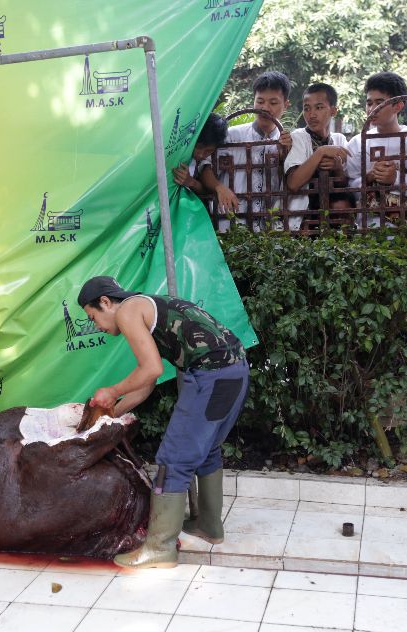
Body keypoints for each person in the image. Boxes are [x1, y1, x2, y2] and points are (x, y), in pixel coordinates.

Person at [77, 277, 249, 569]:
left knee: (172, 459)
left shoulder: (127, 311)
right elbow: (148, 380)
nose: (97, 326)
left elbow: (151, 368)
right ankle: (208, 525)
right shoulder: (147, 306)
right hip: (236, 371)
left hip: (211, 377)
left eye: (93, 317)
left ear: (105, 302)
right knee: (208, 449)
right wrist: (113, 414)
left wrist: (111, 391)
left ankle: (159, 548)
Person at [199, 71, 294, 230]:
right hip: (230, 223)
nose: (265, 108)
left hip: (271, 229)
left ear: (286, 105)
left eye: (273, 102)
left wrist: (286, 154)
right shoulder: (232, 136)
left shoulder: (288, 142)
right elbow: (204, 165)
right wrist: (219, 187)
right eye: (260, 101)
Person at [344, 72, 407, 227]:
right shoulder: (358, 143)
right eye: (369, 103)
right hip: (367, 227)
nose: (372, 109)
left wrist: (396, 178)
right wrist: (369, 177)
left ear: (398, 105)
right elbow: (349, 186)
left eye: (379, 103)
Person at [284, 82, 353, 229]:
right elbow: (293, 184)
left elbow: (346, 186)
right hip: (303, 221)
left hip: (334, 219)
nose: (312, 114)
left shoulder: (339, 139)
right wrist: (321, 152)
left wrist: (337, 167)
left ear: (333, 111)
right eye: (307, 109)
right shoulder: (298, 137)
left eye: (319, 107)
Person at [172, 113, 229, 196]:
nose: (201, 155)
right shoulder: (177, 152)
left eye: (209, 151)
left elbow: (205, 192)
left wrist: (190, 182)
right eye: (198, 147)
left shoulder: (204, 162)